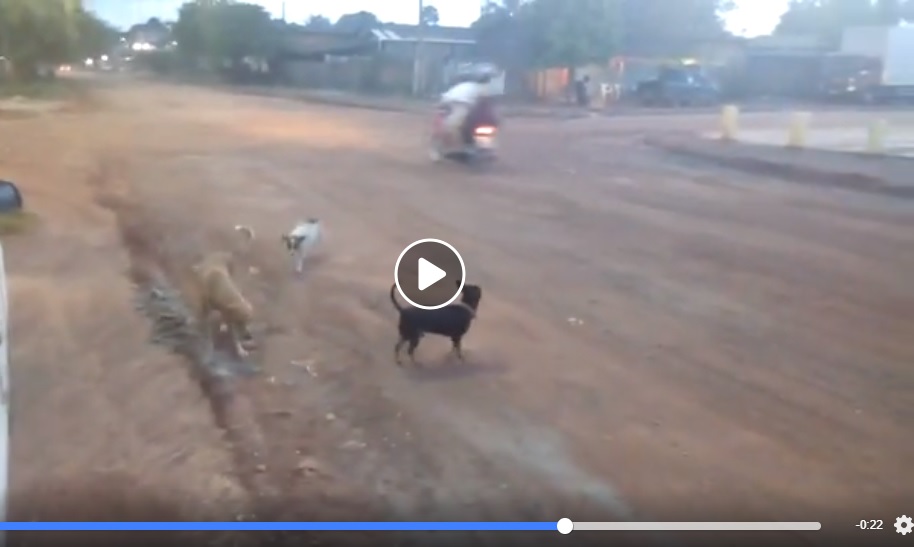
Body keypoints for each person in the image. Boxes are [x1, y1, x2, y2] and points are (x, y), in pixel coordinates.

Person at [438, 65, 497, 150]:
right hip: (462, 104)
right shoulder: (481, 88)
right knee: (455, 125)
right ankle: (458, 145)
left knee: (455, 124)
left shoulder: (467, 86)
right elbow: (486, 103)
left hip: (457, 102)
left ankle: (459, 145)